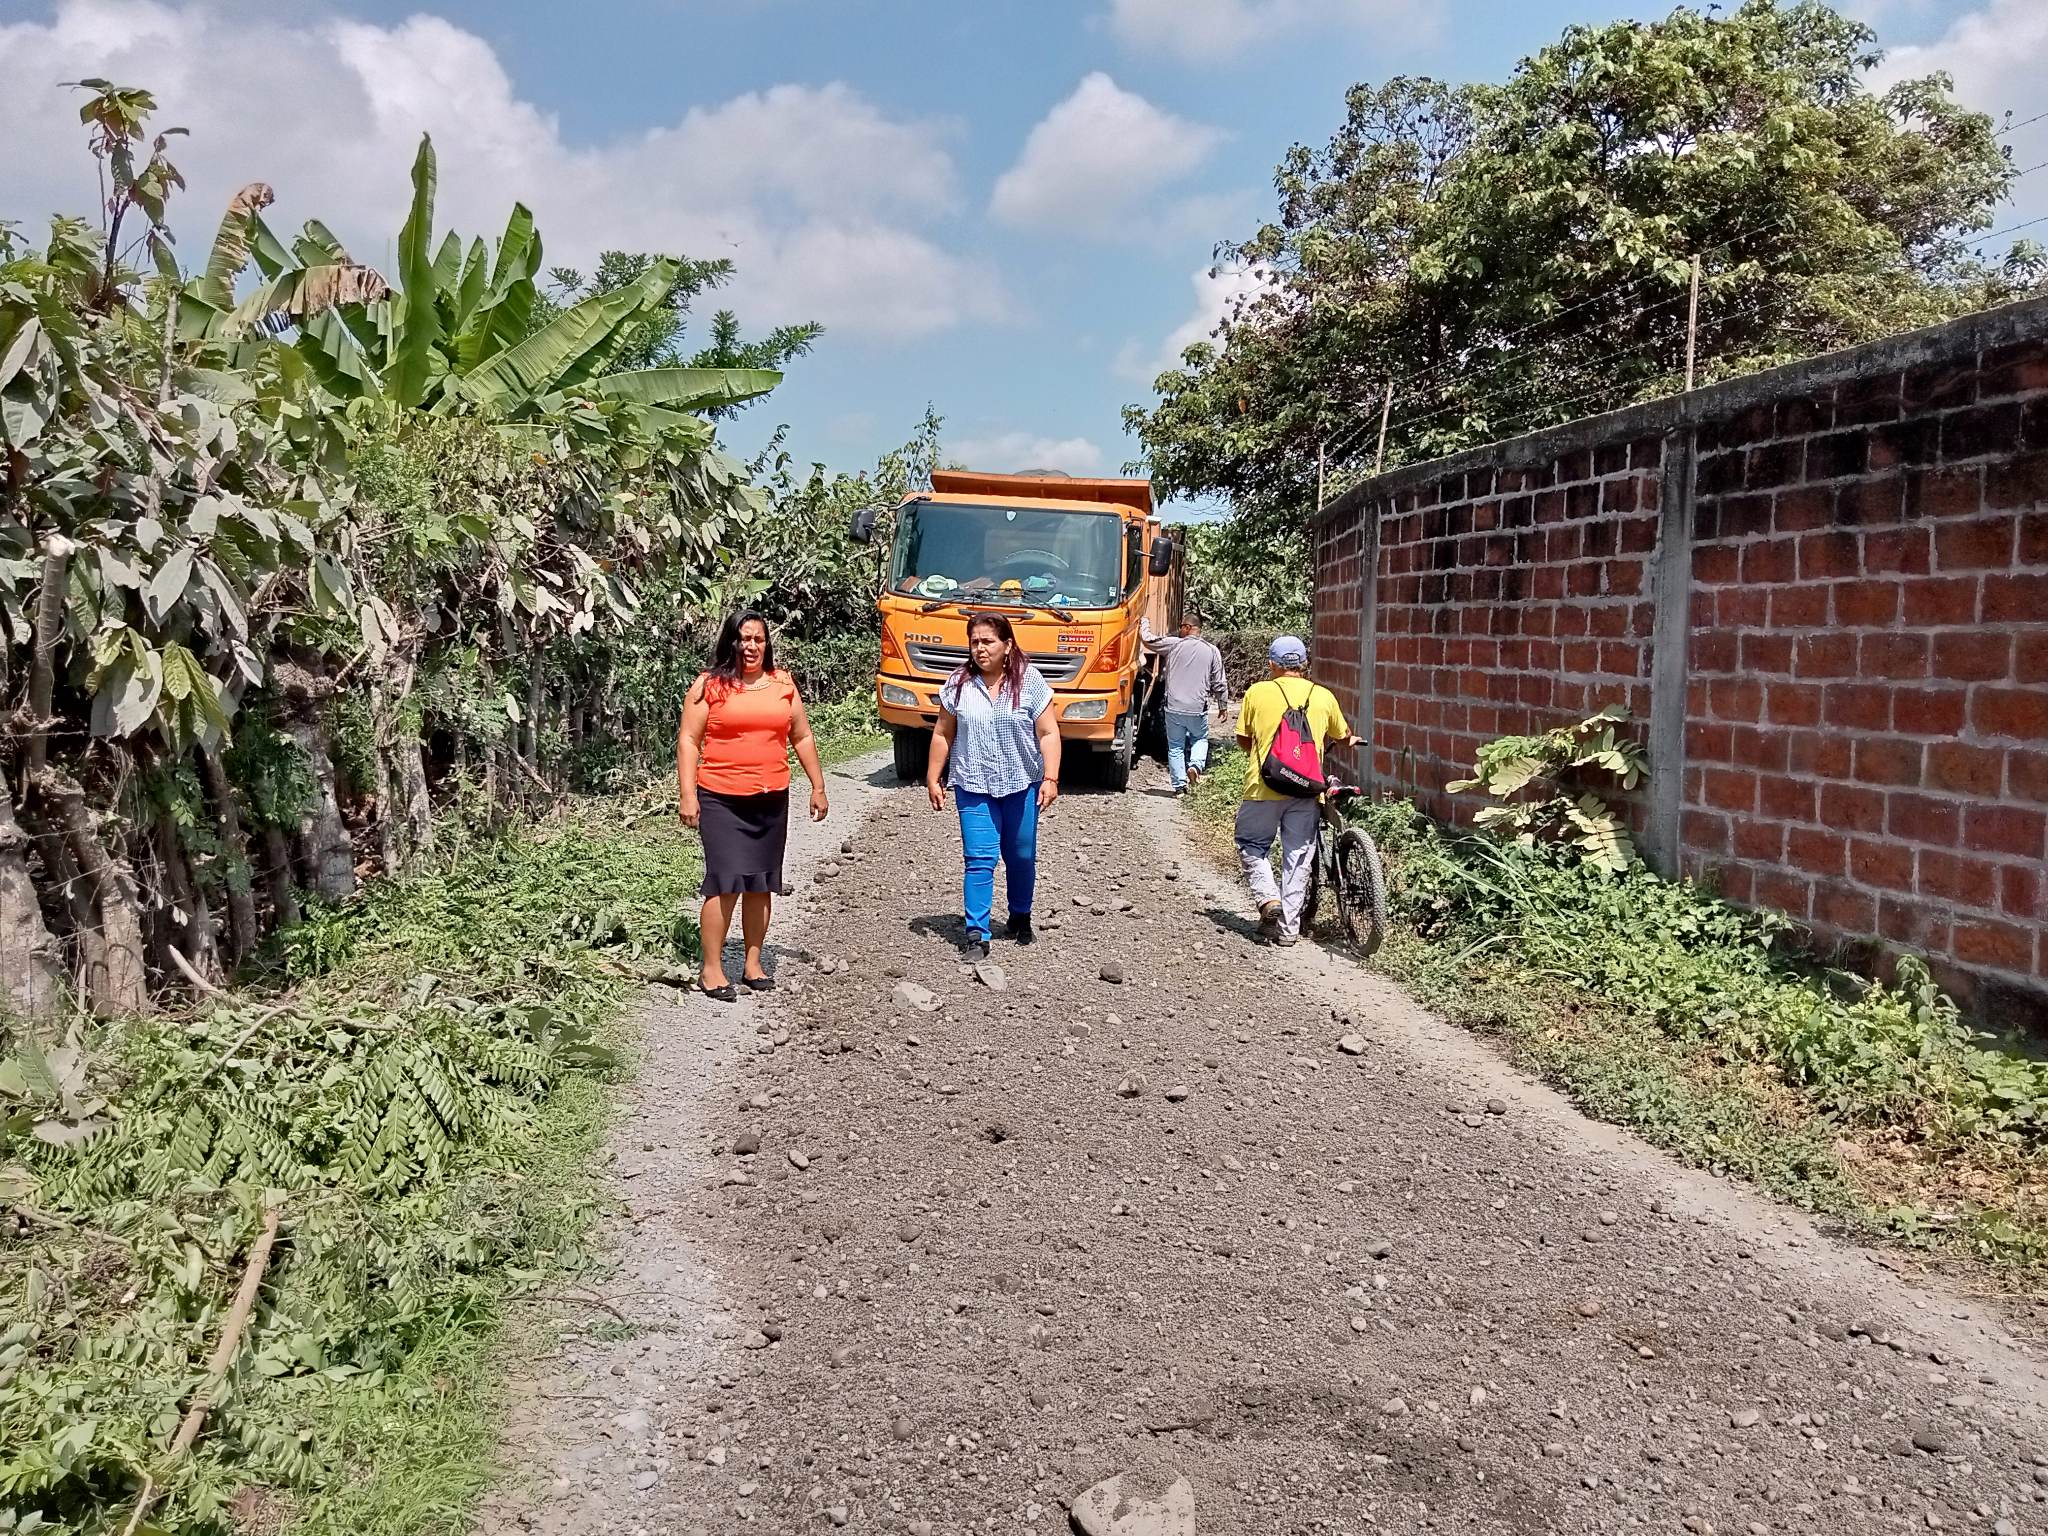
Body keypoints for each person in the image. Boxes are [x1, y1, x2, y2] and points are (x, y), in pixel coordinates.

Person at [677, 611, 829, 1001]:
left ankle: (753, 963)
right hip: (721, 799)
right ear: (731, 642)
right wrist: (688, 794)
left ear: (767, 644)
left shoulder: (783, 684)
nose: (751, 646)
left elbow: (802, 736)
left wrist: (818, 785)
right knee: (725, 881)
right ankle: (711, 970)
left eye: (758, 639)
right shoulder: (708, 685)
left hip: (771, 798)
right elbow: (689, 740)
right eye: (744, 639)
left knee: (762, 882)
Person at [926, 613, 1061, 961]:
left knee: (1021, 855)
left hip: (1021, 784)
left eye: (988, 641)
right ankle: (977, 935)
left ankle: (1020, 916)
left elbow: (1048, 733)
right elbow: (943, 733)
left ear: (1007, 645)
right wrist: (933, 776)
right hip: (973, 784)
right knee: (979, 859)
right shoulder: (958, 684)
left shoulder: (1029, 681)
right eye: (974, 642)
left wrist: (1051, 778)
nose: (980, 648)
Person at [1232, 635, 1361, 946]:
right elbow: (1342, 735)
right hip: (1307, 790)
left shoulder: (1257, 692)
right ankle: (1289, 931)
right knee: (1298, 857)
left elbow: (1243, 738)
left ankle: (1268, 898)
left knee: (1251, 843)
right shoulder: (1323, 695)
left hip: (1263, 786)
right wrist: (1351, 740)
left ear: (1272, 664)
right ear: (1304, 664)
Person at [1140, 611, 1229, 794]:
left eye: (1181, 626)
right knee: (1200, 738)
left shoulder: (1174, 644)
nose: (1179, 630)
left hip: (1174, 707)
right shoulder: (1212, 650)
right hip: (1197, 708)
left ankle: (1179, 787)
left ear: (1188, 627)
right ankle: (1195, 766)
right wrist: (1223, 706)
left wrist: (1144, 621)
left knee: (1175, 746)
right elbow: (1219, 682)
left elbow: (1148, 640)